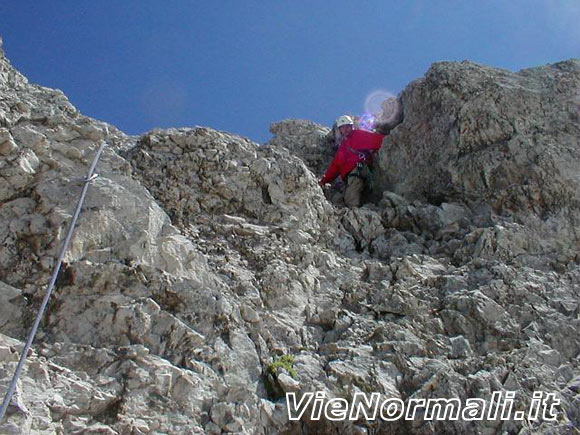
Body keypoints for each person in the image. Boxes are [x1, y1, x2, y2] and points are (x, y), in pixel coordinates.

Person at [319, 117, 385, 207]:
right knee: (337, 200)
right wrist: (324, 181)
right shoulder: (343, 146)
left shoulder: (358, 135)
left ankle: (359, 215)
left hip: (358, 171)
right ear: (340, 130)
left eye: (347, 126)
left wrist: (392, 139)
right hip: (349, 178)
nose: (345, 130)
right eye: (342, 128)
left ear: (352, 127)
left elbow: (377, 140)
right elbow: (335, 166)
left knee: (350, 199)